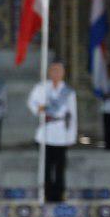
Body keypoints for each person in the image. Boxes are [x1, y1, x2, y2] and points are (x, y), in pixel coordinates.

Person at [27, 59, 77, 203]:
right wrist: (38, 109)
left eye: (59, 70)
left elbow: (72, 116)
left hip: (61, 133)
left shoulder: (68, 92)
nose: (56, 73)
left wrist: (71, 136)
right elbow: (31, 102)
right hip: (46, 132)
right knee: (46, 167)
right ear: (49, 72)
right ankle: (48, 195)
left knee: (60, 167)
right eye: (53, 70)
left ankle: (59, 194)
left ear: (63, 73)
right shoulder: (42, 88)